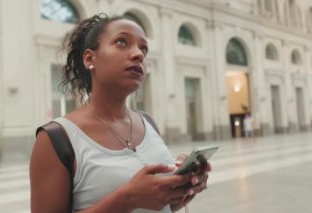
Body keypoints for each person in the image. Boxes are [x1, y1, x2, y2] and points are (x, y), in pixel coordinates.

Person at [30, 13, 211, 213]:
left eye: (143, 48)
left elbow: (159, 206)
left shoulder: (147, 122)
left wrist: (183, 189)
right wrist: (127, 198)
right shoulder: (56, 138)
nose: (139, 54)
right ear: (90, 58)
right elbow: (134, 201)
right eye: (122, 42)